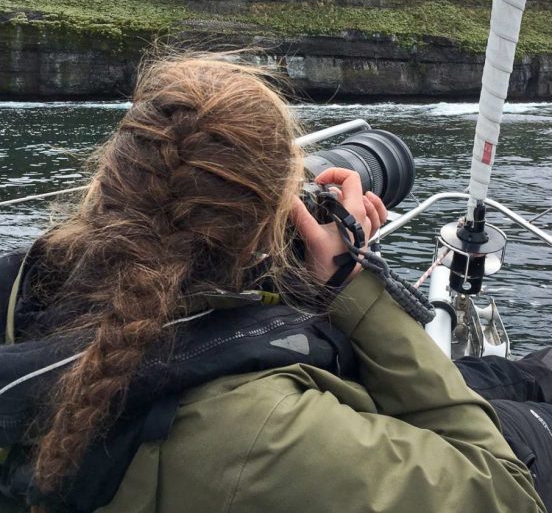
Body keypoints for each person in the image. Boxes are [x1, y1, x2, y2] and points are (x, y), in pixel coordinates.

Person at [0, 52, 550, 513]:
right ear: (271, 223)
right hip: (308, 446)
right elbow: (505, 491)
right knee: (528, 410)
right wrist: (349, 279)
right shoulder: (260, 437)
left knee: (504, 374)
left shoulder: (28, 281)